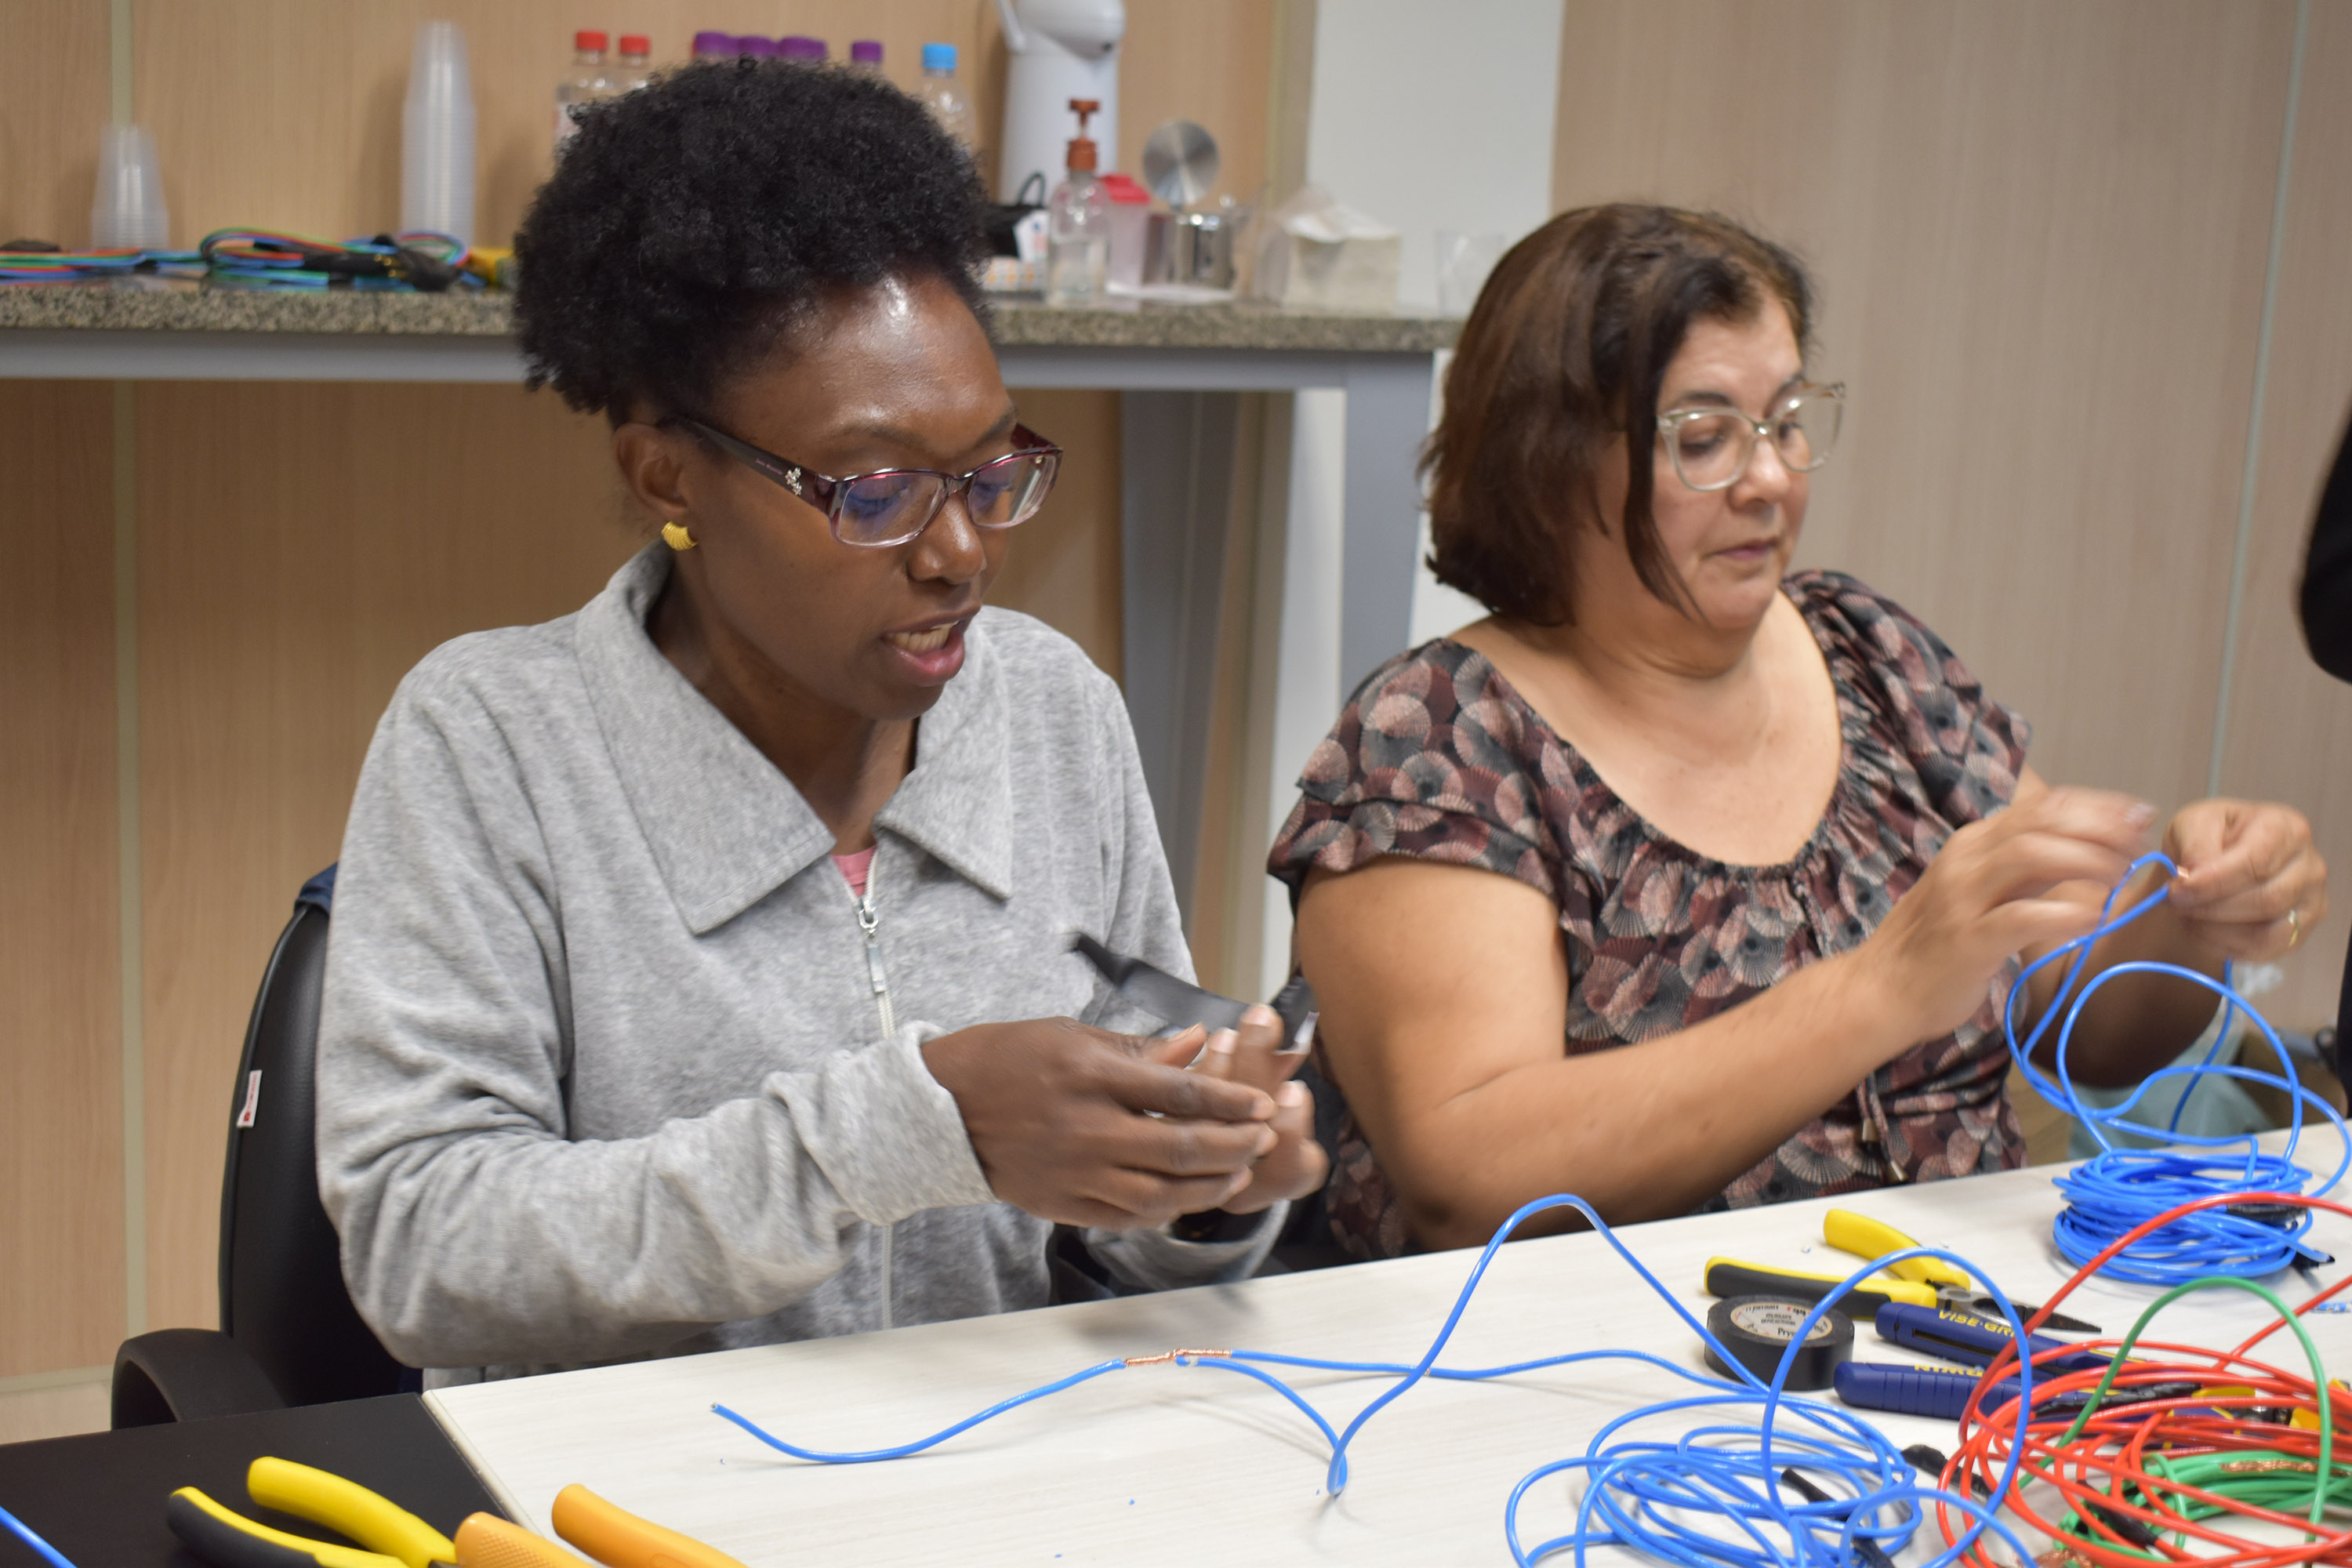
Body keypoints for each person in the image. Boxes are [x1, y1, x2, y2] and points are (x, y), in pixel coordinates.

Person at [315, 60, 1323, 1381]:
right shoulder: (494, 744)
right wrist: (906, 1129)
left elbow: (1110, 1256)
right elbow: (428, 1251)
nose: (962, 551)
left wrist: (1201, 1187)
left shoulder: (1053, 710)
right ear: (667, 472)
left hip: (998, 1480)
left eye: (992, 471)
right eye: (879, 490)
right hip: (634, 1505)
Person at [1270, 204, 2327, 1259]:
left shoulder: (1868, 654)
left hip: (1954, 1334)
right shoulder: (1443, 742)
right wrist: (1879, 988)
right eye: (1704, 439)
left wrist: (2195, 915)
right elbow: (1470, 1178)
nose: (1771, 479)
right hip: (1605, 1385)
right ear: (1547, 468)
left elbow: (2084, 1017)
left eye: (1783, 420)